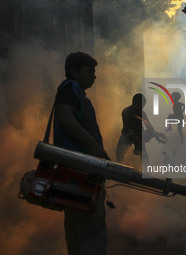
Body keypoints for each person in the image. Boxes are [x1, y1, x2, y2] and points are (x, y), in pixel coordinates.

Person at [53, 52, 109, 255]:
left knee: (77, 228)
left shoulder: (75, 92)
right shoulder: (71, 88)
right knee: (90, 228)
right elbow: (64, 118)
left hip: (75, 170)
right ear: (73, 72)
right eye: (88, 71)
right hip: (81, 170)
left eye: (94, 72)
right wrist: (94, 148)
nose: (93, 76)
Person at [115, 93, 167, 165]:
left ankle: (147, 172)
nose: (141, 107)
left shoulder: (142, 113)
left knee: (144, 156)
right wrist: (137, 139)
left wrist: (156, 135)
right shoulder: (126, 111)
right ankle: (120, 169)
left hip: (138, 135)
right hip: (127, 135)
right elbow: (128, 128)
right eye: (140, 105)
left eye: (143, 106)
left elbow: (149, 125)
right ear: (135, 103)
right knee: (119, 153)